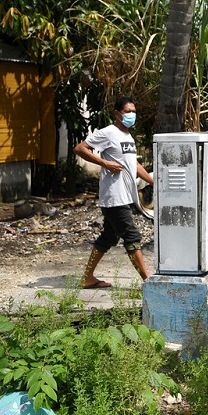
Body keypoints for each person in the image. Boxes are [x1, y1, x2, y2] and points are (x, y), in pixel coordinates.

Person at [74, 97, 153, 288]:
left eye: (134, 111)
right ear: (117, 114)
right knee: (132, 237)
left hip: (125, 195)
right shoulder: (109, 132)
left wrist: (154, 182)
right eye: (127, 112)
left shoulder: (128, 137)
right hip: (113, 196)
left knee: (109, 237)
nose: (131, 115)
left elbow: (133, 165)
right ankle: (148, 281)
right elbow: (80, 148)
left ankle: (87, 278)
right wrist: (104, 163)